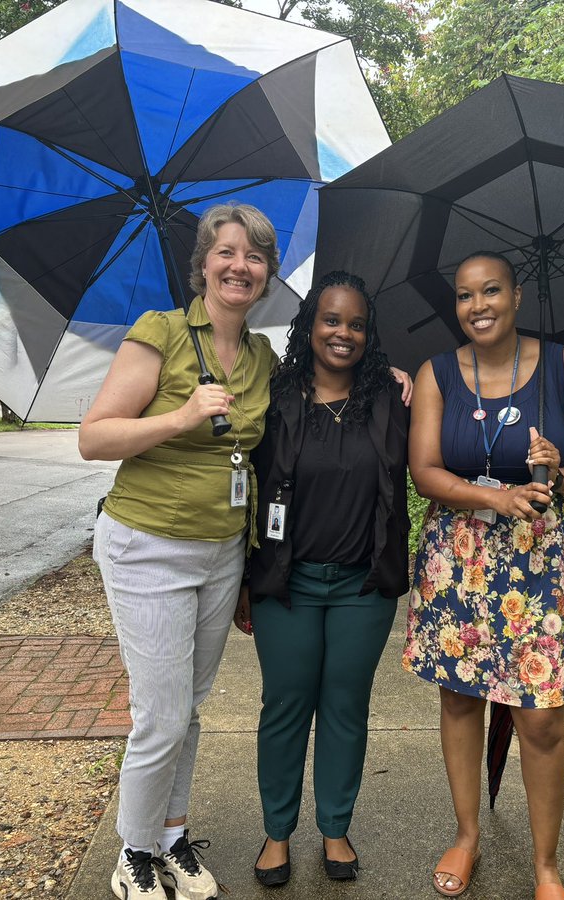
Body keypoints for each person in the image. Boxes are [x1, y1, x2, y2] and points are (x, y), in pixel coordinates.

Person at [79, 203, 281, 900]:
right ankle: (131, 852)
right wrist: (182, 416)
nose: (239, 266)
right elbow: (95, 437)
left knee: (189, 707)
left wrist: (393, 381)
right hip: (147, 545)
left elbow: (276, 445)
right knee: (159, 715)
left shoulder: (262, 358)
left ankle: (170, 836)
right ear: (202, 266)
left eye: (254, 257)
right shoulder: (160, 334)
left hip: (221, 551)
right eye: (227, 252)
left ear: (266, 274)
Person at [403, 250, 564, 900]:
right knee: (461, 699)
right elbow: (426, 472)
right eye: (465, 295)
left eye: (491, 290)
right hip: (456, 561)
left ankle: (546, 866)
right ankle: (467, 835)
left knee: (541, 717)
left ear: (517, 295)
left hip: (538, 562)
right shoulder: (437, 374)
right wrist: (495, 497)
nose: (478, 305)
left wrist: (559, 468)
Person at [232, 271, 411, 888]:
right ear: (310, 327)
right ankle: (276, 833)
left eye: (356, 324)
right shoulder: (275, 398)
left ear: (369, 334)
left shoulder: (391, 400)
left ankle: (335, 828)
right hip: (288, 584)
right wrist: (240, 580)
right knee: (285, 706)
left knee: (344, 708)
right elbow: (244, 489)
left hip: (363, 587)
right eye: (331, 320)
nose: (343, 333)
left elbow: (440, 460)